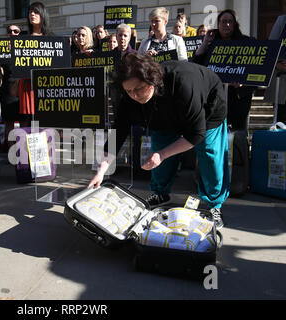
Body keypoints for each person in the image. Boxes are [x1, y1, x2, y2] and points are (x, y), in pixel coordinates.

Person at [88, 54, 229, 229]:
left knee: (209, 154)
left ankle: (214, 204)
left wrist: (163, 154)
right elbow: (118, 133)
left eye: (139, 89)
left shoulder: (183, 82)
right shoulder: (130, 98)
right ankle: (160, 193)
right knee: (158, 153)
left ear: (151, 80)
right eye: (129, 91)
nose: (135, 95)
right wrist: (101, 171)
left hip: (207, 107)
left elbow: (195, 134)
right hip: (163, 116)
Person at [193, 9, 256, 131]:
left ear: (235, 24)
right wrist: (205, 41)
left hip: (238, 99)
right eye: (223, 22)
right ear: (218, 24)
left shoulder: (247, 42)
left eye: (230, 22)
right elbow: (196, 63)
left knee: (238, 133)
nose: (226, 25)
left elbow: (256, 70)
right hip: (215, 98)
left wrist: (243, 83)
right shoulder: (212, 44)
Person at [11, 2, 51, 119]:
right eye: (30, 12)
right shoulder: (22, 38)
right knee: (29, 122)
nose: (32, 14)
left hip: (46, 85)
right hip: (27, 85)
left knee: (46, 120)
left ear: (43, 15)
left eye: (36, 12)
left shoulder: (52, 38)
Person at [263, 14, 286, 124]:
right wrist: (277, 63)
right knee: (281, 121)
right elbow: (271, 47)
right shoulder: (282, 20)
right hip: (282, 81)